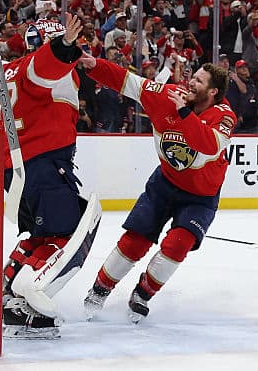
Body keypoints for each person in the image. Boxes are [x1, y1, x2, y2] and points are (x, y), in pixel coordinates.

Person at [80, 54, 235, 323]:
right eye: (192, 76)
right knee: (134, 242)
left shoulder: (224, 116)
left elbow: (208, 145)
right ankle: (99, 290)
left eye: (198, 81)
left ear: (213, 92)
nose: (190, 82)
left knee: (178, 244)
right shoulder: (166, 95)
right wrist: (94, 65)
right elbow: (128, 82)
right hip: (164, 184)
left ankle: (143, 293)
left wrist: (184, 114)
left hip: (201, 196)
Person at [0, 14, 93, 339]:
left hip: (11, 170)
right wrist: (64, 46)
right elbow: (44, 68)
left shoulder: (2, 71)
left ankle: (9, 292)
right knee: (67, 236)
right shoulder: (47, 69)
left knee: (38, 236)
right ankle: (32, 295)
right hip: (45, 164)